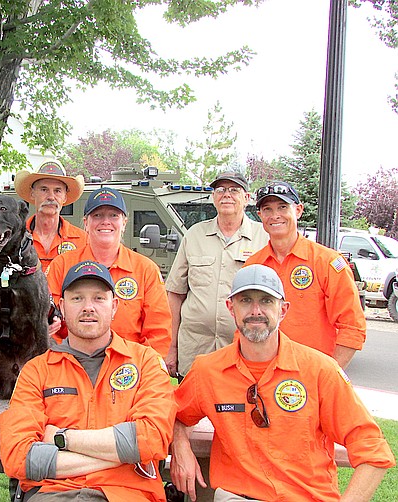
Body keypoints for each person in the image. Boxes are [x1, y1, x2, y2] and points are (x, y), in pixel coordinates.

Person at [170, 264, 395, 502]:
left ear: (283, 309)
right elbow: (175, 413)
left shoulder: (320, 370)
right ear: (230, 308)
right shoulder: (208, 370)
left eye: (266, 301)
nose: (255, 311)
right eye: (245, 300)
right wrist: (180, 443)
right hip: (237, 496)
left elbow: (373, 451)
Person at [0, 260, 176, 501]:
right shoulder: (36, 371)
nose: (88, 307)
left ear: (114, 306)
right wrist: (121, 457)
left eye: (98, 298)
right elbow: (18, 456)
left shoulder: (145, 362)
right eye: (77, 298)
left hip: (126, 495)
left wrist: (62, 437)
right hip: (52, 494)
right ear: (61, 306)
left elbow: (152, 438)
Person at [244, 181, 365, 368]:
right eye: (267, 209)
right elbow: (244, 326)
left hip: (313, 373)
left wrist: (330, 376)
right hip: (264, 374)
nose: (275, 215)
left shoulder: (327, 262)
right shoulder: (253, 266)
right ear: (260, 216)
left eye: (282, 207)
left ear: (298, 210)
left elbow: (352, 327)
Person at [164, 171, 268, 378]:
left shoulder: (263, 237)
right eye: (220, 190)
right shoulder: (194, 234)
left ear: (247, 198)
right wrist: (171, 347)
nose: (226, 195)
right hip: (195, 349)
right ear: (213, 197)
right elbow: (175, 294)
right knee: (191, 409)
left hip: (243, 351)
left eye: (234, 190)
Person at [46, 187, 172, 357]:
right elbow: (49, 324)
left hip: (128, 368)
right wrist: (66, 359)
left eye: (113, 215)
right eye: (97, 215)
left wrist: (139, 367)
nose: (106, 222)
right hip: (72, 362)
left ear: (124, 223)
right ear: (85, 223)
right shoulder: (62, 265)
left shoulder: (146, 270)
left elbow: (158, 332)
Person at [14, 160, 87, 270]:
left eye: (57, 191)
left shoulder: (83, 240)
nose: (51, 197)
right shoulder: (15, 238)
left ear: (65, 197)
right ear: (32, 194)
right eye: (44, 189)